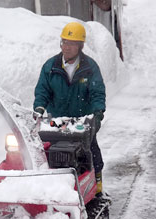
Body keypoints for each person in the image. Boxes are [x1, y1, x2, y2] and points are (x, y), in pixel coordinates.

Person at [33, 22, 106, 196]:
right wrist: (39, 109)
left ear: (80, 46)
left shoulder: (90, 67)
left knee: (90, 151)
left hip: (83, 120)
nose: (66, 47)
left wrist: (97, 113)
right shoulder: (50, 67)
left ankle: (96, 182)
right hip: (58, 120)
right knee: (51, 151)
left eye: (71, 43)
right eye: (64, 42)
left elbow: (97, 92)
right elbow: (43, 91)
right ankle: (54, 187)